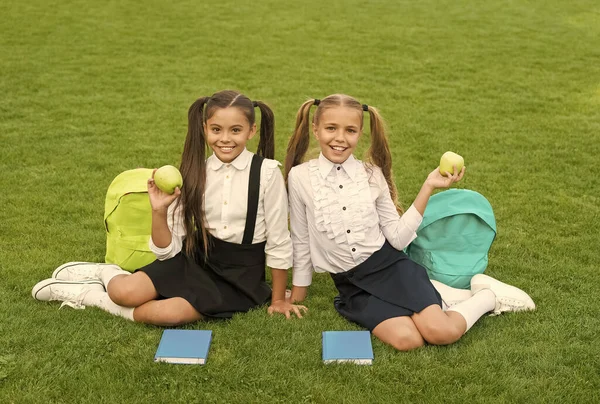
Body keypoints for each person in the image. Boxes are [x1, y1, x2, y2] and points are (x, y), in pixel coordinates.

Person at [32, 90, 306, 325]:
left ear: (251, 131)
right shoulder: (193, 172)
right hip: (197, 258)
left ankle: (91, 296)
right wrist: (159, 210)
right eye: (216, 129)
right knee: (125, 293)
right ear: (204, 129)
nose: (225, 139)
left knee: (167, 314)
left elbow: (279, 241)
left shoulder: (267, 173)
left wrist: (279, 298)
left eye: (236, 130)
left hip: (240, 276)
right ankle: (104, 272)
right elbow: (167, 251)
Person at [284, 94, 534, 351]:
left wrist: (429, 185)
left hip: (390, 268)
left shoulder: (371, 175)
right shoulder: (300, 177)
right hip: (351, 285)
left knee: (441, 332)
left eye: (350, 130)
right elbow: (301, 240)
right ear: (316, 130)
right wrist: (297, 295)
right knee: (409, 341)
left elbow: (397, 238)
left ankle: (488, 296)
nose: (340, 138)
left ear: (360, 133)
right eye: (330, 128)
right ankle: (440, 295)